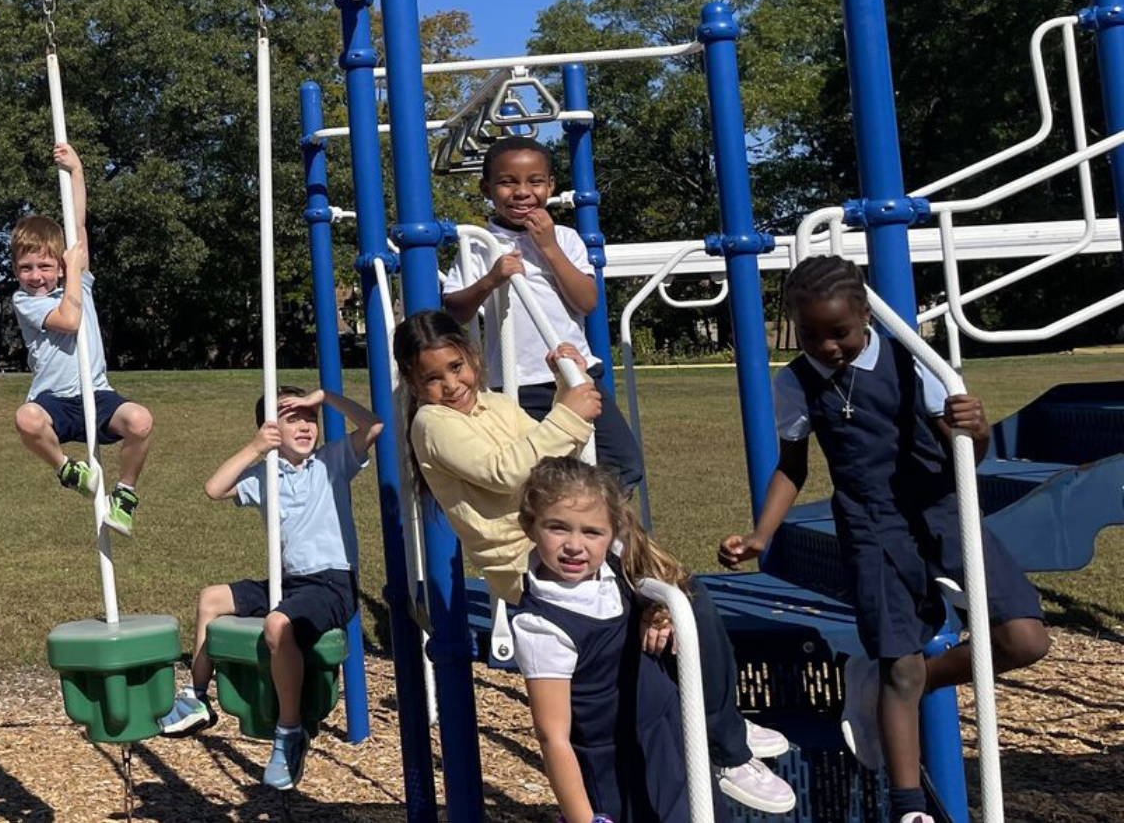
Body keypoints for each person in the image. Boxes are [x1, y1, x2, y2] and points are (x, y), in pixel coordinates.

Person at [397, 310, 796, 815]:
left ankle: (720, 730)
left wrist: (566, 391)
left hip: (560, 541)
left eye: (456, 367)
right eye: (433, 377)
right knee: (655, 615)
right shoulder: (431, 424)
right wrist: (569, 411)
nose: (451, 384)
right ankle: (725, 745)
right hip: (530, 564)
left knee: (683, 599)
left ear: (472, 356)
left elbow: (547, 463)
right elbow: (505, 470)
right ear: (414, 382)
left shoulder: (495, 404)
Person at [721, 256, 1050, 823]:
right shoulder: (796, 381)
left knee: (1024, 640)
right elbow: (792, 467)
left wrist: (977, 429)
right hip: (871, 527)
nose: (826, 347)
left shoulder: (912, 361)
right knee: (902, 663)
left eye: (839, 332)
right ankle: (908, 806)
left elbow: (966, 454)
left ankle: (887, 683)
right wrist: (760, 534)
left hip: (943, 511)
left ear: (866, 317)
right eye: (810, 335)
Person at [161, 386, 381, 790]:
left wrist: (325, 398)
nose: (305, 426)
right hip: (290, 582)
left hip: (331, 582)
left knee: (278, 625)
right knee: (211, 599)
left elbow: (374, 427)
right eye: (291, 418)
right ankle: (196, 697)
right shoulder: (267, 476)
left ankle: (289, 732)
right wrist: (255, 447)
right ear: (271, 429)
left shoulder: (332, 461)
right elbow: (214, 488)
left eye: (309, 418)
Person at [441, 136, 644, 494]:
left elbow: (586, 301)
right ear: (487, 189)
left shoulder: (565, 238)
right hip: (516, 382)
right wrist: (491, 280)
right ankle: (554, 523)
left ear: (550, 186)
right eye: (508, 182)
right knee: (539, 472)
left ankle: (587, 524)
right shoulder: (478, 245)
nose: (522, 192)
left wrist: (548, 247)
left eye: (534, 182)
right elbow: (456, 310)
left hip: (573, 372)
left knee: (622, 464)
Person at [513, 457, 692, 823]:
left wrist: (657, 612)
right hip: (615, 764)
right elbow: (553, 738)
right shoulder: (542, 626)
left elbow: (669, 578)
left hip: (667, 730)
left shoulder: (614, 567)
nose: (574, 545)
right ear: (530, 526)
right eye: (558, 528)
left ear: (612, 533)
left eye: (592, 532)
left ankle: (729, 737)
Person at [10, 141, 153, 535]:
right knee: (25, 418)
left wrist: (76, 171)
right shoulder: (25, 301)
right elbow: (69, 320)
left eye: (44, 266)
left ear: (59, 264)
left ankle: (125, 495)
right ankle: (67, 470)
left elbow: (78, 224)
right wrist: (73, 271)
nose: (35, 275)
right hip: (54, 400)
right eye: (26, 268)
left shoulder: (80, 278)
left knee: (140, 420)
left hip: (97, 392)